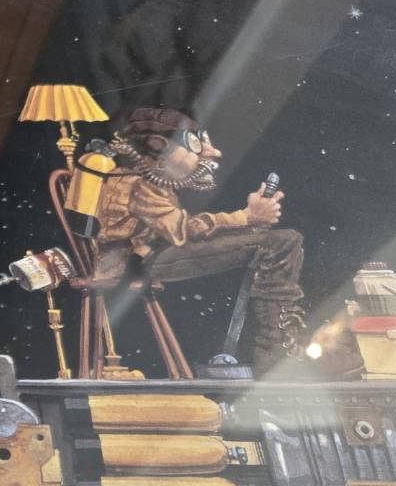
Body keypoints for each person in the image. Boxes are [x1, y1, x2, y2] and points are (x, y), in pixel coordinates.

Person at [92, 106, 306, 371]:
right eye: (194, 143)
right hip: (130, 264)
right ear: (159, 146)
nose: (212, 152)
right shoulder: (137, 183)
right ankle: (275, 352)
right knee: (281, 242)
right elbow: (181, 230)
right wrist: (245, 217)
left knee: (279, 240)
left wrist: (249, 224)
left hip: (145, 255)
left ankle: (276, 346)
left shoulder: (145, 180)